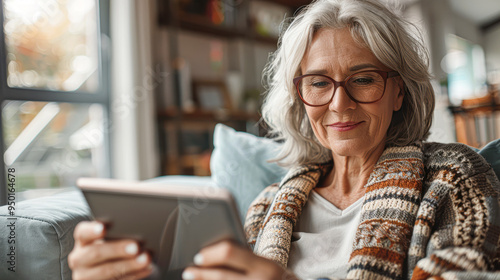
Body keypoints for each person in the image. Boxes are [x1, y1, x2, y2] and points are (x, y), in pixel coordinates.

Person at [69, 0, 500, 279]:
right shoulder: (268, 203)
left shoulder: (453, 177)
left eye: (363, 80)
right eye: (317, 83)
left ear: (399, 90)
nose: (339, 104)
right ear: (299, 94)